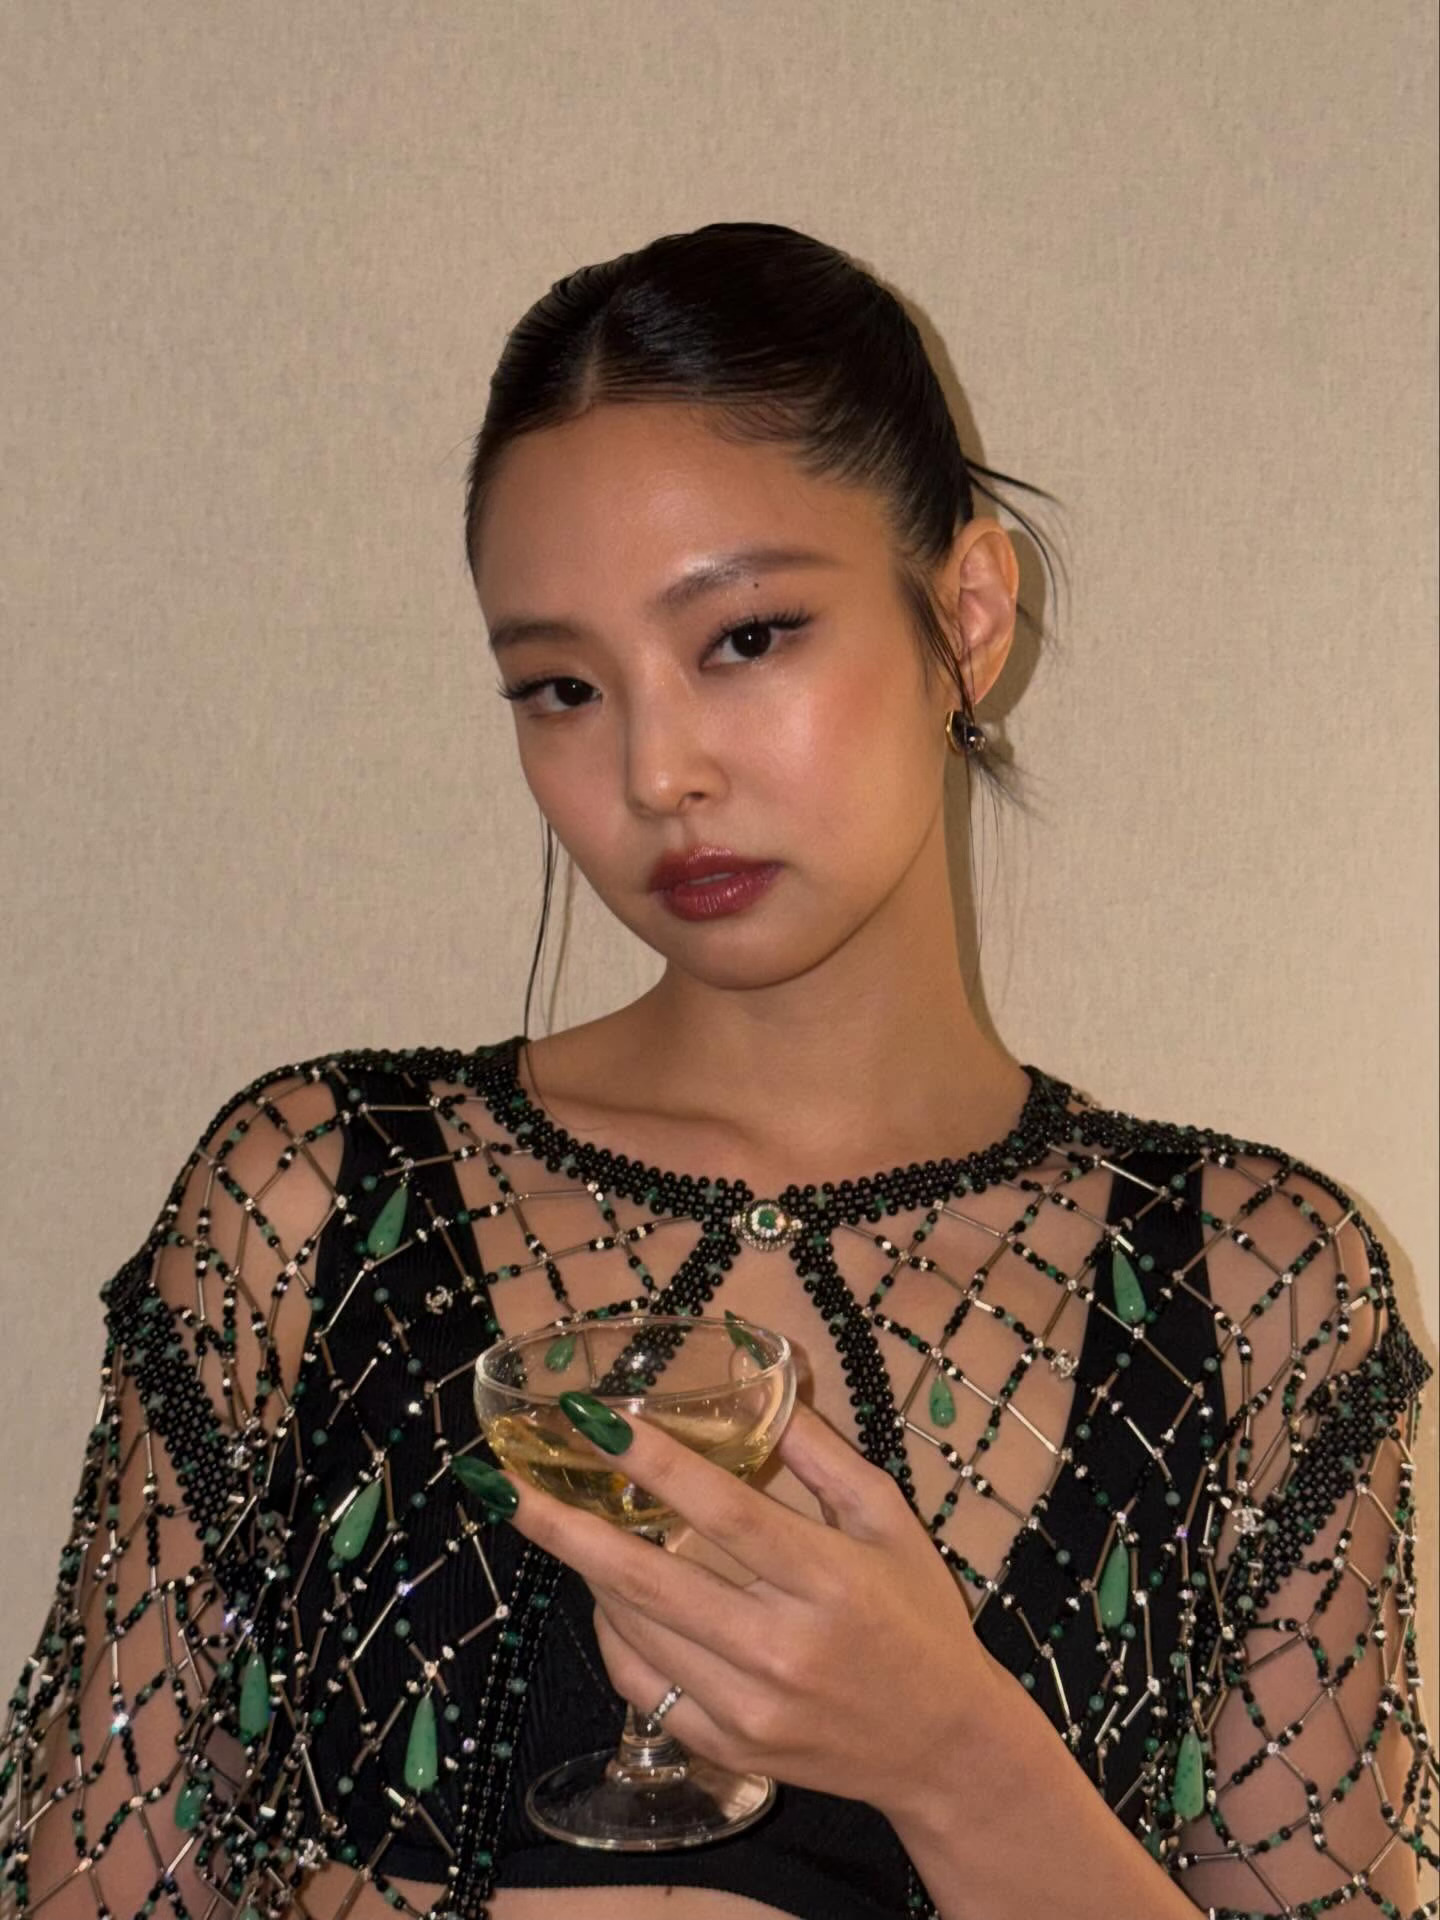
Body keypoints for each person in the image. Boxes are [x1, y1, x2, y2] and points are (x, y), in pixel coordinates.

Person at [1, 221, 1434, 1920]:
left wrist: (955, 1755)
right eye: (560, 685)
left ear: (968, 617)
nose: (655, 770)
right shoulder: (316, 1199)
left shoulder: (1254, 1282)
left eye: (746, 637)